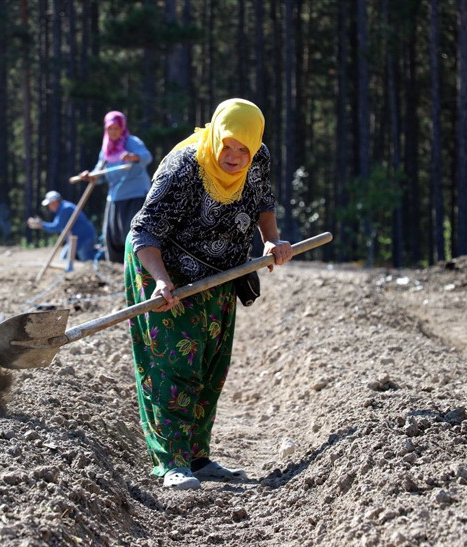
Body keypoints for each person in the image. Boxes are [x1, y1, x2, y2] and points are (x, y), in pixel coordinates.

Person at [124, 98, 294, 490]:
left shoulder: (258, 157)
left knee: (210, 365)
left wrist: (271, 242)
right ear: (216, 134)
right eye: (228, 145)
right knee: (173, 365)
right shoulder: (183, 167)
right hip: (163, 270)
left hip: (220, 274)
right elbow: (144, 232)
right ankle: (172, 462)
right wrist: (162, 281)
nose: (234, 157)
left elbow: (263, 202)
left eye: (243, 149)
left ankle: (198, 458)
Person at [75, 111, 152, 264]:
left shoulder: (132, 142)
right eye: (110, 128)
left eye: (116, 128)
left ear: (122, 128)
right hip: (115, 197)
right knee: (112, 238)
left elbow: (147, 157)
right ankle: (117, 270)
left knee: (132, 235)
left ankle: (138, 267)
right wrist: (90, 176)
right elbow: (100, 174)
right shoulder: (106, 149)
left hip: (135, 196)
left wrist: (132, 157)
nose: (113, 132)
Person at [27, 191, 98, 262]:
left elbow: (57, 227)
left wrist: (41, 225)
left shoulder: (65, 209)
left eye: (49, 204)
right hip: (78, 238)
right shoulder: (64, 207)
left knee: (87, 261)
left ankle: (102, 259)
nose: (49, 207)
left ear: (54, 202)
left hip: (84, 238)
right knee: (65, 258)